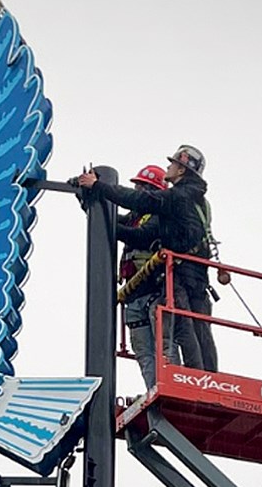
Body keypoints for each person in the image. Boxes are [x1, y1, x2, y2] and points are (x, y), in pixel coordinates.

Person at [78, 145, 216, 371]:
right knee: (198, 328)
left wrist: (99, 186)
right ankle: (207, 379)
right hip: (193, 272)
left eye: (172, 164)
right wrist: (90, 200)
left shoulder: (178, 197)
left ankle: (199, 379)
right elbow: (126, 216)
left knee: (186, 327)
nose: (168, 167)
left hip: (181, 271)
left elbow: (138, 204)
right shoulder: (192, 198)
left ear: (181, 170)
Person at [118, 165, 168, 388]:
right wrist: (89, 199)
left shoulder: (159, 215)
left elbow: (141, 237)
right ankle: (153, 391)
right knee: (144, 352)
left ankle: (167, 388)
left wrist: (111, 227)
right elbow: (113, 219)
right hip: (134, 293)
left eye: (141, 186)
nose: (136, 190)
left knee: (163, 347)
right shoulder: (135, 216)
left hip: (154, 290)